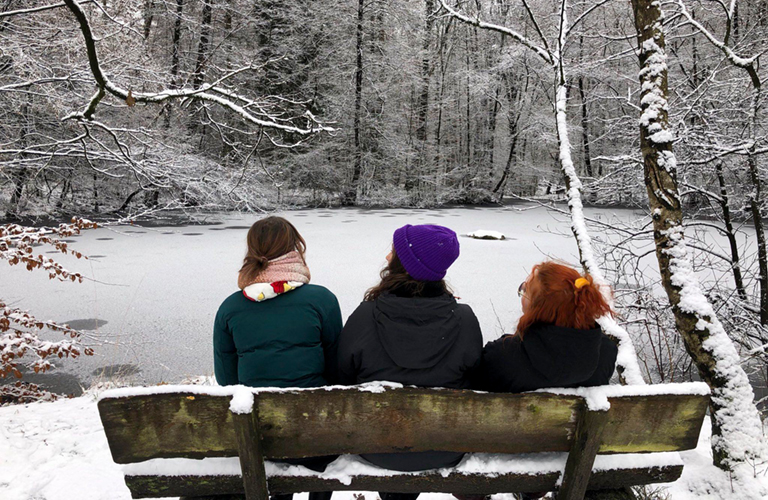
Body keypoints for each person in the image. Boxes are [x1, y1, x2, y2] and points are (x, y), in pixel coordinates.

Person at [338, 224, 483, 500]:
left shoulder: (365, 315)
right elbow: (475, 382)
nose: (387, 256)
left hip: (374, 446)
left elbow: (342, 378)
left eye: (394, 251)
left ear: (401, 264)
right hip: (445, 446)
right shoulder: (464, 319)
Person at [213, 216, 341, 500]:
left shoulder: (230, 308)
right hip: (317, 441)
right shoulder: (322, 300)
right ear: (295, 248)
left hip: (260, 442)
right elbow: (336, 370)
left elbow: (227, 379)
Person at [473, 260, 617, 394]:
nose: (522, 296)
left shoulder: (502, 355)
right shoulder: (606, 353)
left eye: (526, 291)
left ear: (539, 309)